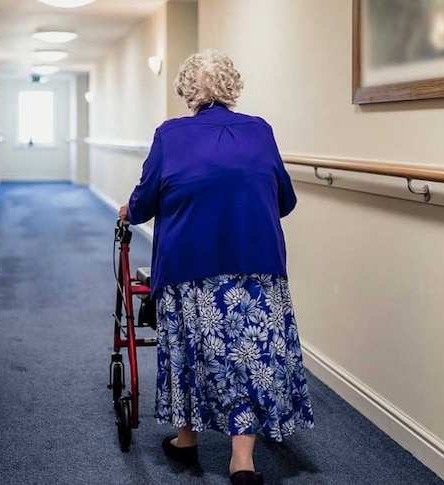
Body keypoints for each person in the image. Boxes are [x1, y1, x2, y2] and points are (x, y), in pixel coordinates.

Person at [119, 49, 314, 485]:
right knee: (250, 354)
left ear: (188, 91)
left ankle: (186, 440)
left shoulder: (170, 135)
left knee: (190, 347)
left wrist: (127, 212)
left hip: (190, 264)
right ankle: (242, 460)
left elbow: (146, 199)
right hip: (256, 262)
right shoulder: (260, 131)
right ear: (232, 87)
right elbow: (286, 200)